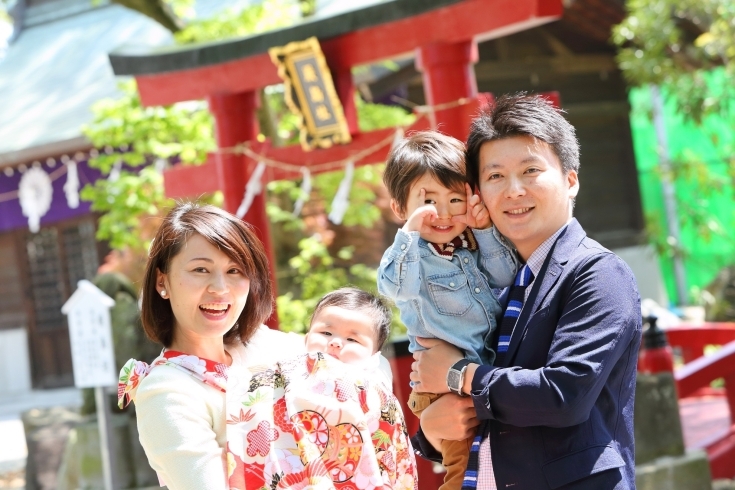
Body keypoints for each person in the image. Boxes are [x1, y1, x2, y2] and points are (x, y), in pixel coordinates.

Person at [411, 94, 642, 489]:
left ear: (571, 180)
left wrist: (458, 375)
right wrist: (431, 434)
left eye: (531, 170)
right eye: (496, 176)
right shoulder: (494, 281)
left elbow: (562, 394)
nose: (513, 191)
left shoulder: (599, 273)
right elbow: (484, 412)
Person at [116, 202, 417, 490]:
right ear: (161, 282)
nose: (220, 288)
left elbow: (365, 367)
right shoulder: (167, 391)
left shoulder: (267, 347)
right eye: (200, 270)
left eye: (235, 271)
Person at [377, 131, 518, 489]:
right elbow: (393, 287)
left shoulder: (468, 247)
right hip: (443, 391)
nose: (442, 213)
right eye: (427, 201)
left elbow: (507, 275)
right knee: (463, 473)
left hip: (479, 375)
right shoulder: (413, 258)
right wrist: (409, 232)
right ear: (399, 208)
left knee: (495, 468)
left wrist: (483, 228)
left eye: (455, 199)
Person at [304, 286, 394, 386]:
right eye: (326, 333)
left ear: (373, 356)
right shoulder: (290, 366)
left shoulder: (373, 383)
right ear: (306, 339)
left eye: (351, 339)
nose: (335, 342)